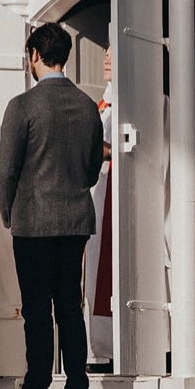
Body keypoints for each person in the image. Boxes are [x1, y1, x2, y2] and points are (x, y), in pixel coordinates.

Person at [0, 23, 104, 389]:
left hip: (34, 223)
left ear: (35, 55)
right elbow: (92, 171)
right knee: (70, 310)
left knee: (38, 312)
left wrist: (8, 214)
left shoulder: (22, 106)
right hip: (74, 221)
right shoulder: (88, 106)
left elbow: (5, 172)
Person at [84, 46, 114, 367]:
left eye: (113, 53)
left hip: (117, 192)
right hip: (95, 191)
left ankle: (113, 347)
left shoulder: (146, 102)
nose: (106, 59)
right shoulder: (100, 105)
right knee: (92, 269)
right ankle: (99, 350)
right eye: (105, 54)